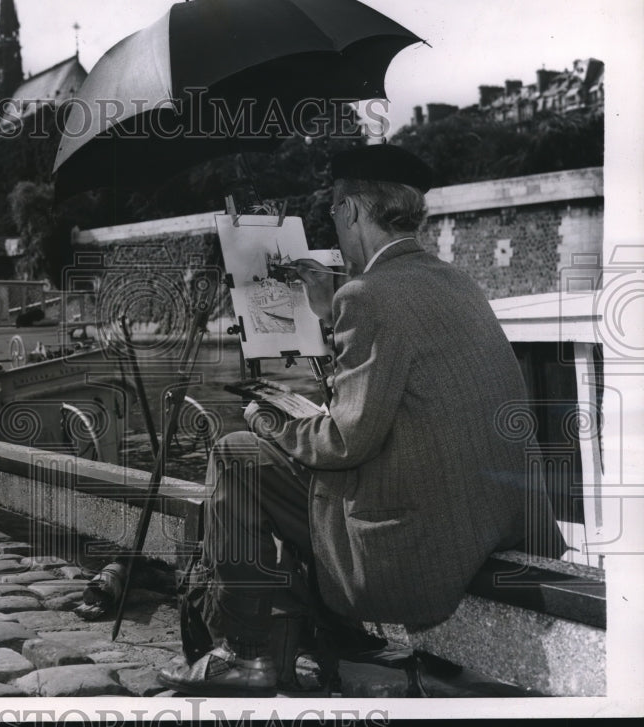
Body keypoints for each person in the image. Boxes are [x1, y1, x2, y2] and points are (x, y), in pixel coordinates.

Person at [158, 144, 565, 696]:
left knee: (236, 455)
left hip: (419, 544)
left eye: (333, 214)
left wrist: (266, 421)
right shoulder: (455, 282)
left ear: (350, 212)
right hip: (489, 517)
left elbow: (347, 440)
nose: (335, 225)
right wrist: (329, 317)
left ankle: (245, 655)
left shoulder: (369, 296)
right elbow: (388, 397)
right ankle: (333, 635)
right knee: (296, 463)